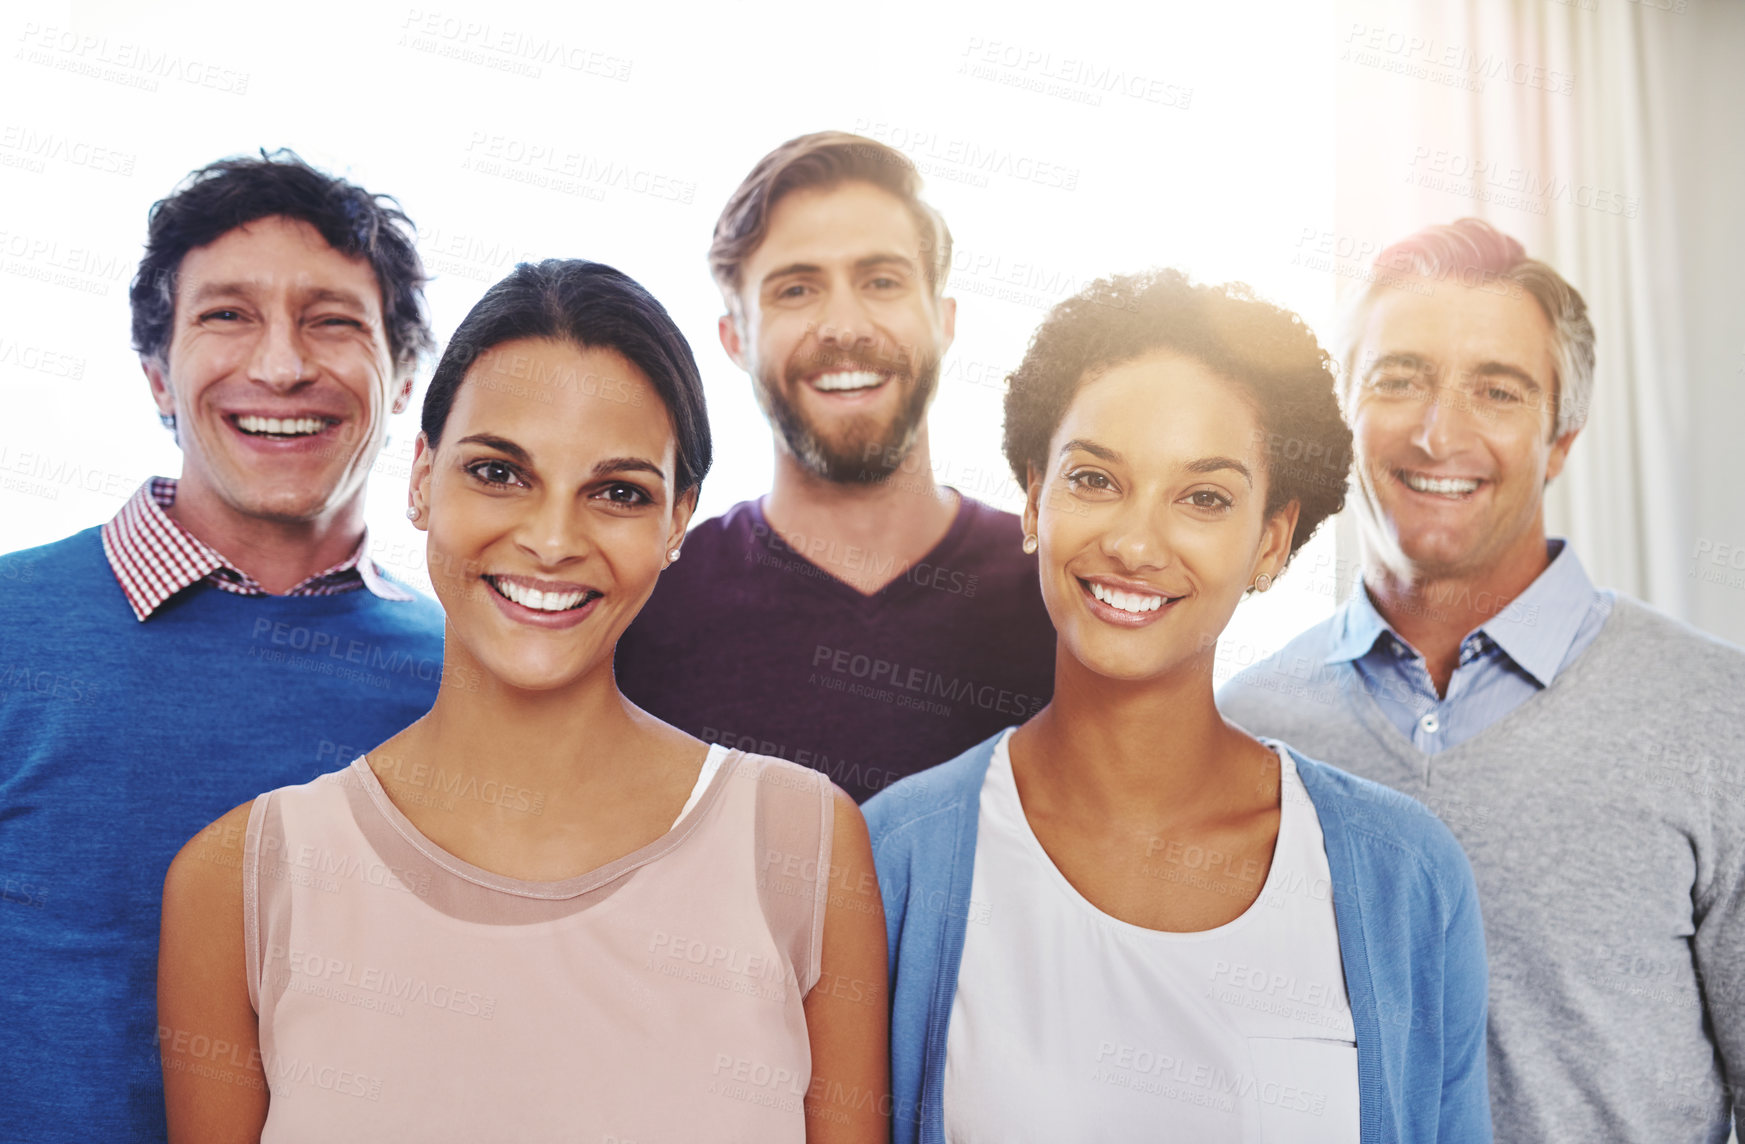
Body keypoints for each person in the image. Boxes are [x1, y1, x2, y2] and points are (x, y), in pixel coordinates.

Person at [158, 259, 889, 1142]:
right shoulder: (241, 881)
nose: (549, 540)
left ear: (678, 521)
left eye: (617, 493)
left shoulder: (801, 845)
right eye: (499, 473)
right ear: (422, 477)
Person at [867, 270, 1491, 1143]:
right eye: (1093, 479)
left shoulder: (1405, 877)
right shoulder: (894, 858)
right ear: (1032, 499)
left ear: (1270, 542)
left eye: (1203, 498)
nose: (1132, 542)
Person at [1216, 218, 1745, 1142]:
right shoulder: (1243, 729)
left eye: (1496, 390)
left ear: (1560, 439)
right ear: (1343, 409)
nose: (1437, 431)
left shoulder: (1716, 718)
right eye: (1398, 379)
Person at [0, 151, 445, 1144]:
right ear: (157, 376)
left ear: (405, 377)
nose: (281, 365)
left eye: (331, 319)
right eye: (226, 315)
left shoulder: (462, 680)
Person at [615, 131, 1056, 803]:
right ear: (736, 338)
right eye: (796, 290)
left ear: (942, 321)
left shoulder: (1062, 596)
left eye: (881, 281)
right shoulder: (643, 611)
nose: (843, 326)